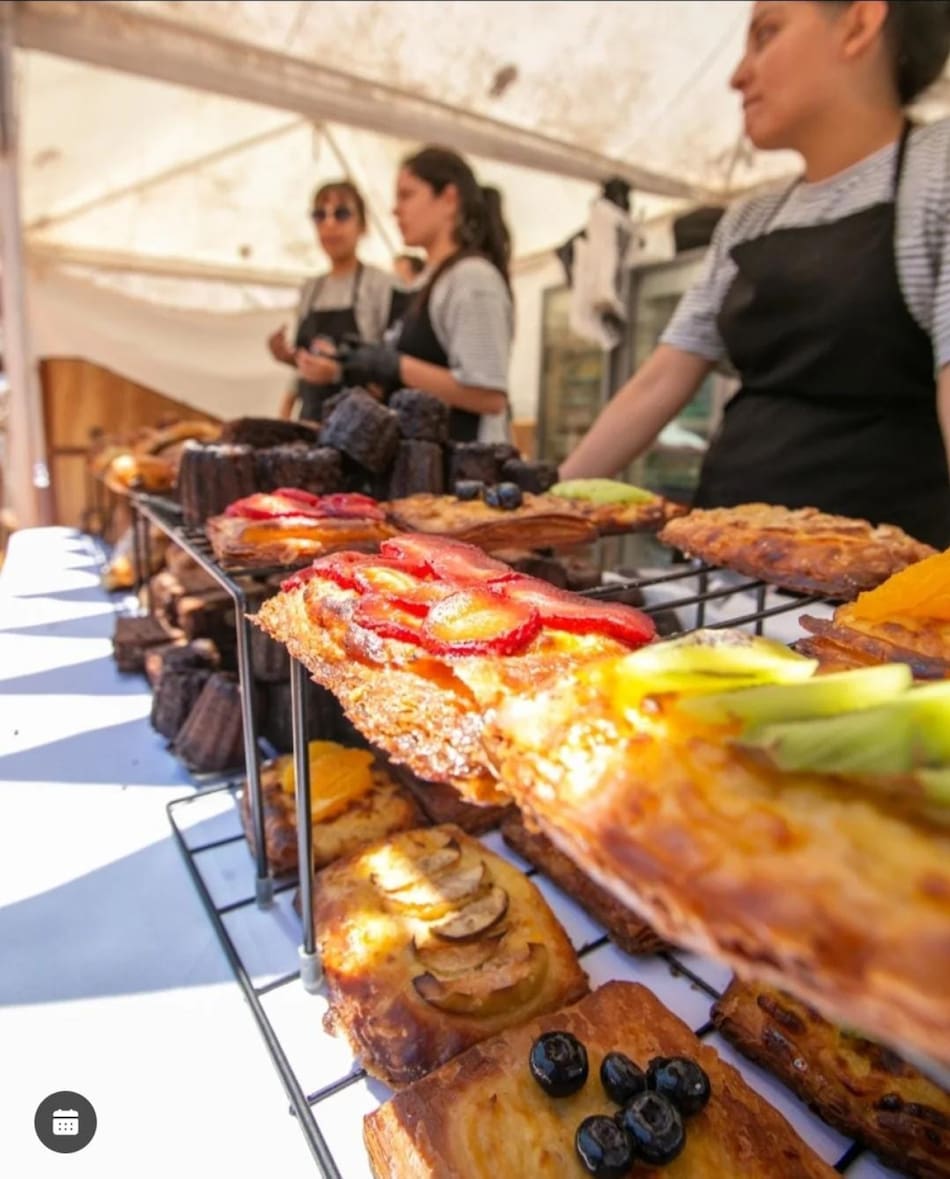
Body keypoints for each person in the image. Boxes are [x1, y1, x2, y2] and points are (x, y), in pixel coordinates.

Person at [560, 0, 950, 549]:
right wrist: (547, 506)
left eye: (766, 34)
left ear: (860, 23)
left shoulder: (936, 172)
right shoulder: (749, 219)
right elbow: (661, 378)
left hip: (869, 596)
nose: (737, 75)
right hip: (722, 567)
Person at [339, 146, 514, 443]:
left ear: (449, 198)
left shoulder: (472, 279)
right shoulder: (425, 280)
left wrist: (396, 365)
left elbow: (489, 396)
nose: (395, 210)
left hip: (461, 480)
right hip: (422, 476)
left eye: (407, 195)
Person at [267, 180, 399, 421]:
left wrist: (340, 373)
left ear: (363, 225)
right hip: (311, 421)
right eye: (320, 215)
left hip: (361, 428)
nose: (329, 224)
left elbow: (393, 366)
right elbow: (304, 364)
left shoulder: (381, 285)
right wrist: (290, 358)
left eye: (342, 214)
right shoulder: (311, 288)